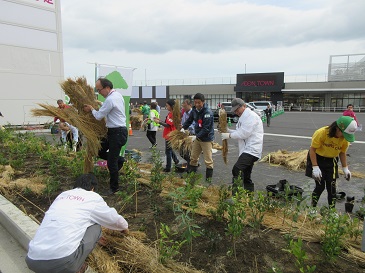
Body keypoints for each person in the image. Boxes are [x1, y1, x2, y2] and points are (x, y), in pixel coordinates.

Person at [25, 173, 129, 273]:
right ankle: (79, 268)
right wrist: (125, 228)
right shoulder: (92, 197)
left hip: (32, 259)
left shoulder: (62, 195)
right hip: (62, 263)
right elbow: (115, 220)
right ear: (92, 188)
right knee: (96, 226)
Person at [84, 78, 128, 195]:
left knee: (111, 162)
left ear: (107, 88)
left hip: (117, 133)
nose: (99, 92)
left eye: (99, 90)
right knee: (99, 150)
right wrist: (100, 104)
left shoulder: (111, 99)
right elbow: (109, 106)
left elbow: (98, 116)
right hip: (114, 132)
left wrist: (92, 109)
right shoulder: (117, 95)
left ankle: (114, 188)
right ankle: (120, 159)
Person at [305, 116, 357, 208]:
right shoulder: (322, 133)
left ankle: (332, 210)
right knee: (320, 187)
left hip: (331, 161)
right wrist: (315, 167)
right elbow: (312, 150)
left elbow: (342, 153)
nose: (344, 137)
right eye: (344, 134)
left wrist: (345, 169)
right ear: (337, 128)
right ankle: (312, 208)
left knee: (332, 187)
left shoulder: (344, 139)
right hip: (317, 159)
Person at [221, 98, 263, 193]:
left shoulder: (251, 116)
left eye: (237, 109)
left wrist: (229, 135)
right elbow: (239, 132)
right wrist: (227, 130)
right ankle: (249, 195)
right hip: (247, 149)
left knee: (237, 169)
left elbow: (244, 133)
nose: (236, 112)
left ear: (244, 106)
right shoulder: (244, 116)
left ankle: (236, 195)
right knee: (246, 174)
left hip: (252, 149)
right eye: (234, 110)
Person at [182, 93, 214, 182]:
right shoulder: (195, 110)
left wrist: (195, 137)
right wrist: (183, 128)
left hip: (206, 139)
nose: (197, 105)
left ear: (203, 102)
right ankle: (192, 178)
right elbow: (189, 120)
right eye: (195, 102)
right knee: (193, 158)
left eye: (199, 103)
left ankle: (208, 181)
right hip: (198, 139)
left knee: (208, 160)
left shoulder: (207, 113)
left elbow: (206, 129)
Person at [154, 99, 179, 172]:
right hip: (168, 134)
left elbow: (168, 125)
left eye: (167, 105)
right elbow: (165, 122)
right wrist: (159, 120)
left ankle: (168, 167)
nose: (166, 107)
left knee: (168, 151)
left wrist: (158, 122)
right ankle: (176, 160)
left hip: (170, 135)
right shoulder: (170, 113)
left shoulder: (172, 114)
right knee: (170, 149)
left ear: (171, 106)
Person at [180, 99, 195, 166]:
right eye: (183, 106)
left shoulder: (194, 113)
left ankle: (192, 165)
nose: (184, 108)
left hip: (192, 135)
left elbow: (194, 125)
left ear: (190, 105)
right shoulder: (185, 113)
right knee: (182, 152)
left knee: (191, 151)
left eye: (185, 106)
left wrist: (186, 128)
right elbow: (183, 123)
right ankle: (191, 163)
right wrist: (181, 127)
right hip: (185, 135)